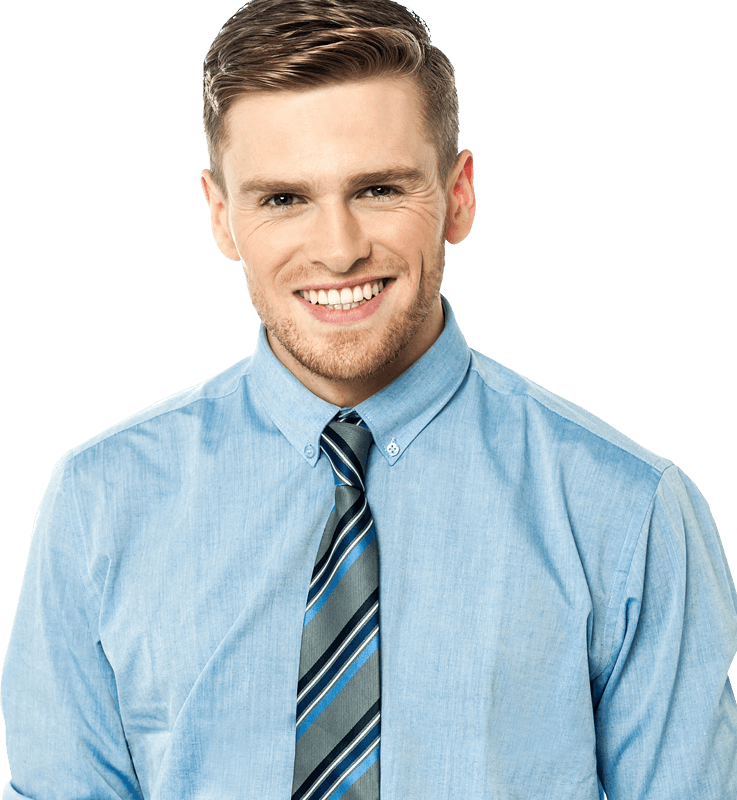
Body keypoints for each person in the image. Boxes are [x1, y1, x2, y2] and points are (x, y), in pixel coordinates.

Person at [3, 0, 735, 797]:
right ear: (221, 217)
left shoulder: (627, 511)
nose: (339, 249)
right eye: (283, 198)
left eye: (379, 189)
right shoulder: (99, 500)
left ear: (458, 195)